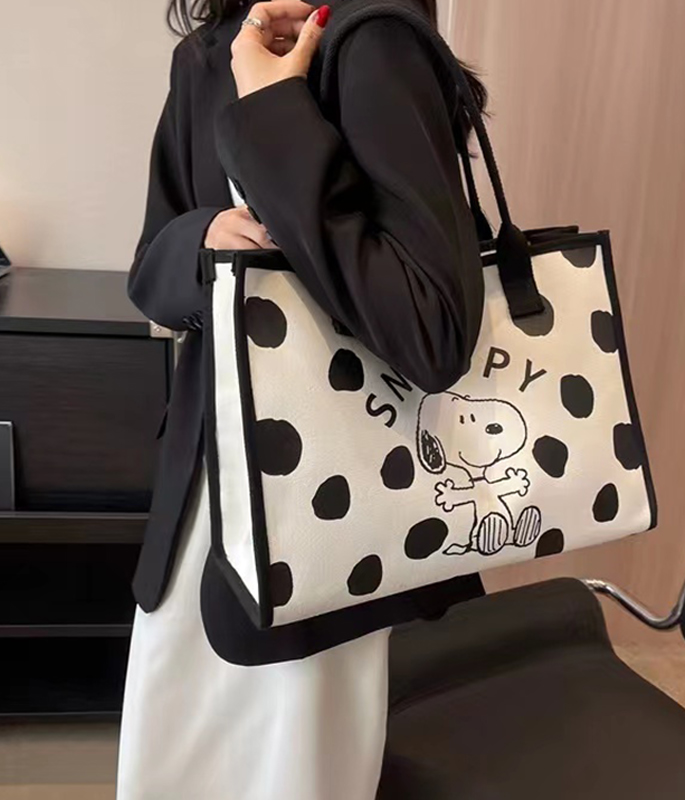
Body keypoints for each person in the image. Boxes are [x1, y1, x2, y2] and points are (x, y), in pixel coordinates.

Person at [118, 1, 488, 797]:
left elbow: (431, 330)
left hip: (336, 511)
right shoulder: (207, 57)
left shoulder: (376, 43)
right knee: (173, 759)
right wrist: (202, 239)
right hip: (206, 495)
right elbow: (150, 269)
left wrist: (275, 111)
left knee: (290, 766)